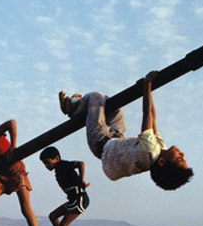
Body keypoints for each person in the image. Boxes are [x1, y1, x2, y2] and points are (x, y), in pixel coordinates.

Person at [59, 71, 193, 190]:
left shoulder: (150, 150)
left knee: (96, 97)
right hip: (116, 138)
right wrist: (148, 89)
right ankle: (80, 107)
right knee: (113, 106)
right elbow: (153, 118)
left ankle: (71, 106)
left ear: (162, 162)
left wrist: (147, 85)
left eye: (180, 158)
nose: (182, 153)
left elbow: (147, 113)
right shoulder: (159, 149)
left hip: (100, 142)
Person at [40, 146, 89, 226]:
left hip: (79, 198)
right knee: (53, 216)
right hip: (72, 199)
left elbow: (81, 163)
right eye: (44, 164)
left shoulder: (62, 165)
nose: (47, 166)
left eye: (48, 162)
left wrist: (81, 179)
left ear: (56, 158)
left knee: (63, 224)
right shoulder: (58, 169)